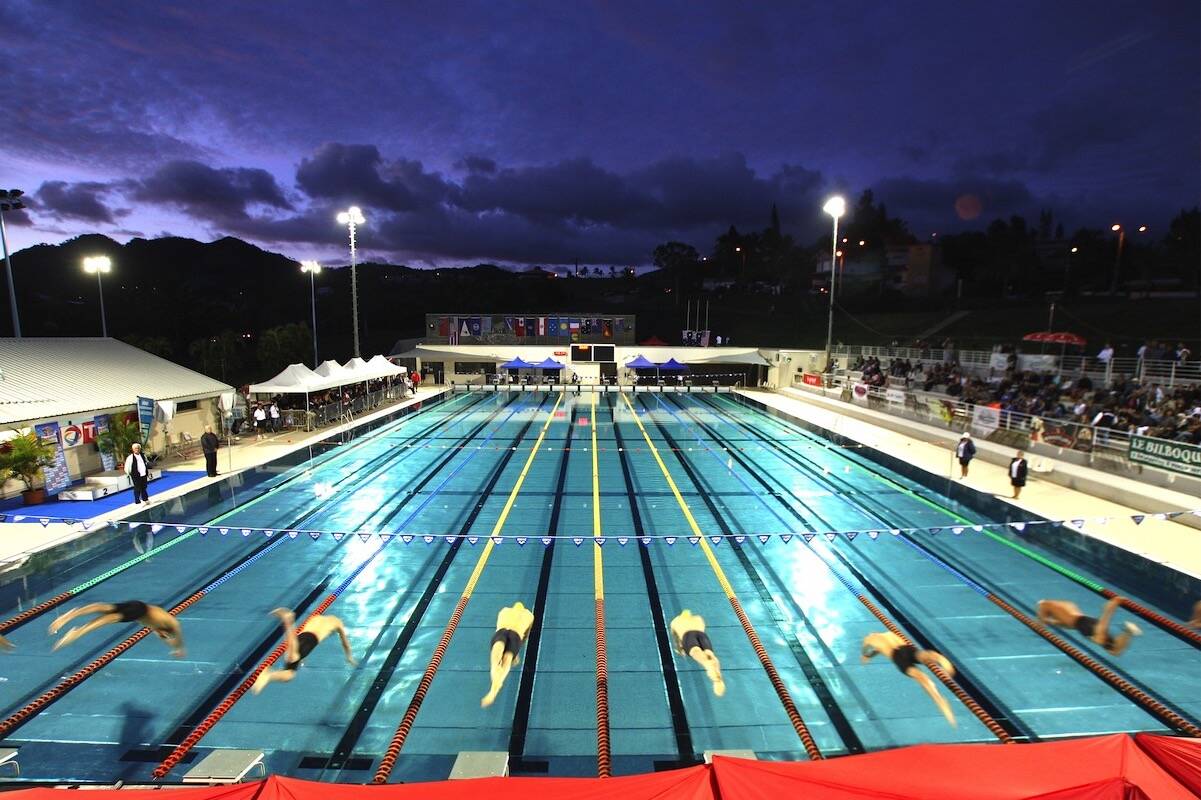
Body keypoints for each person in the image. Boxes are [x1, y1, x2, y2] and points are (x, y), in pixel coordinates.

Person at [861, 631, 956, 726]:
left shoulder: (869, 640)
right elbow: (871, 652)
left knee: (922, 678)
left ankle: (941, 702)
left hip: (897, 657)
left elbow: (866, 655)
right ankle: (938, 658)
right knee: (923, 656)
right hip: (906, 649)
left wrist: (867, 653)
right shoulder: (889, 633)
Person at [252, 608, 356, 693]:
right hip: (311, 641)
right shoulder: (337, 622)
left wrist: (302, 658)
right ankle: (288, 620)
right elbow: (345, 643)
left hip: (302, 638)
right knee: (292, 661)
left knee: (289, 674)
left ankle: (269, 674)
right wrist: (349, 656)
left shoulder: (315, 618)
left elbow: (303, 634)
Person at [49, 601, 184, 656]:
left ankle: (70, 615)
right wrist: (179, 649)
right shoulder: (172, 624)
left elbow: (169, 638)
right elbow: (177, 636)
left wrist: (174, 647)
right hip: (140, 611)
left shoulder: (158, 626)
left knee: (105, 608)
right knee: (109, 618)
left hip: (137, 604)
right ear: (165, 632)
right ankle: (78, 633)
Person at [1037, 597, 1141, 655]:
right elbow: (1070, 625)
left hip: (1084, 624)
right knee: (1114, 650)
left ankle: (1111, 607)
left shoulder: (1048, 605)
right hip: (1084, 622)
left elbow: (1044, 606)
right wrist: (1054, 623)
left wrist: (1041, 623)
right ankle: (1128, 631)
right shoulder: (1062, 606)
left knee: (1101, 633)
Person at [481, 602, 535, 707]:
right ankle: (494, 689)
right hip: (515, 636)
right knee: (506, 660)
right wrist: (516, 653)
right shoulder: (529, 615)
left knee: (496, 659)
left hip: (502, 632)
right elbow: (526, 636)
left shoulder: (504, 610)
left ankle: (494, 689)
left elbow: (498, 626)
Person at [670, 610, 725, 696]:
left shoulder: (675, 621)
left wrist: (680, 649)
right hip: (702, 636)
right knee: (710, 655)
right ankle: (717, 678)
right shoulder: (699, 618)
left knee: (696, 652)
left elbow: (676, 639)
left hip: (688, 636)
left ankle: (707, 665)